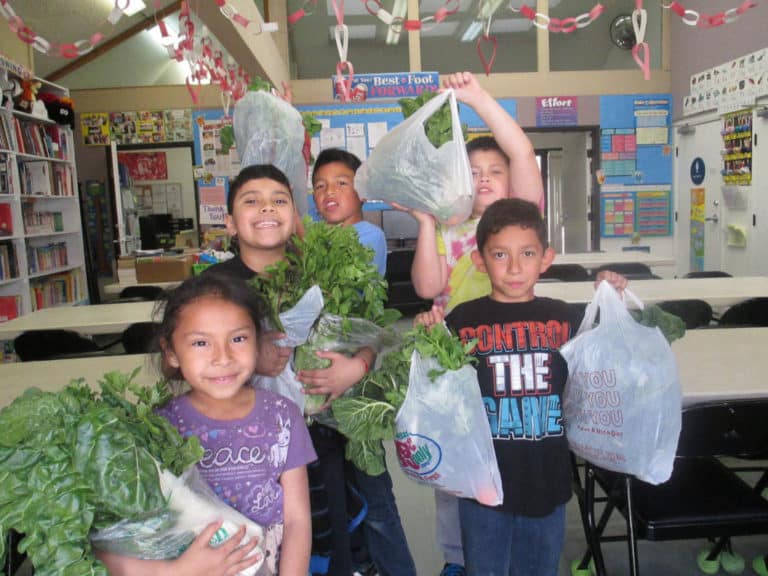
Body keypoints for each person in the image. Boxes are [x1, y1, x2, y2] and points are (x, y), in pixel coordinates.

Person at [415, 198, 627, 576]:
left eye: (527, 253)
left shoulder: (566, 318)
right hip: (482, 487)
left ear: (546, 258)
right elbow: (439, 398)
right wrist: (429, 337)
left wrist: (611, 299)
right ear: (479, 261)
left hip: (547, 481)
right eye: (500, 254)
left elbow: (612, 357)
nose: (514, 267)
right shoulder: (462, 321)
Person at [397, 71, 545, 576]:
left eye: (493, 171)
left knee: (510, 454)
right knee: (454, 462)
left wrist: (477, 99)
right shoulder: (446, 225)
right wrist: (423, 222)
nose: (483, 178)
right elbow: (424, 287)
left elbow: (523, 153)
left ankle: (516, 546)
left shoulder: (519, 221)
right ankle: (459, 559)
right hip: (459, 367)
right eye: (472, 169)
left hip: (511, 362)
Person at [205, 163, 370, 575]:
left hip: (319, 444)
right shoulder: (212, 287)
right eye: (251, 201)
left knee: (325, 543)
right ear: (229, 222)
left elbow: (371, 334)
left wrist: (357, 366)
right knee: (250, 553)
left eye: (279, 200)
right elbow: (182, 363)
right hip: (238, 453)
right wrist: (246, 358)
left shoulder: (321, 270)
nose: (267, 208)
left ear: (295, 216)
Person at [97, 273, 316, 576]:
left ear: (257, 342)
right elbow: (111, 543)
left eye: (238, 338)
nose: (222, 357)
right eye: (201, 343)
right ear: (171, 352)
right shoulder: (158, 428)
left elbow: (297, 521)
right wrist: (177, 571)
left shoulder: (282, 415)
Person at [308, 148, 417, 576]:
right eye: (319, 186)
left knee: (374, 496)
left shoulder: (366, 236)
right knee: (340, 493)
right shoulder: (315, 236)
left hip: (356, 384)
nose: (328, 192)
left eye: (341, 183)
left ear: (362, 193)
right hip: (325, 383)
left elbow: (357, 317)